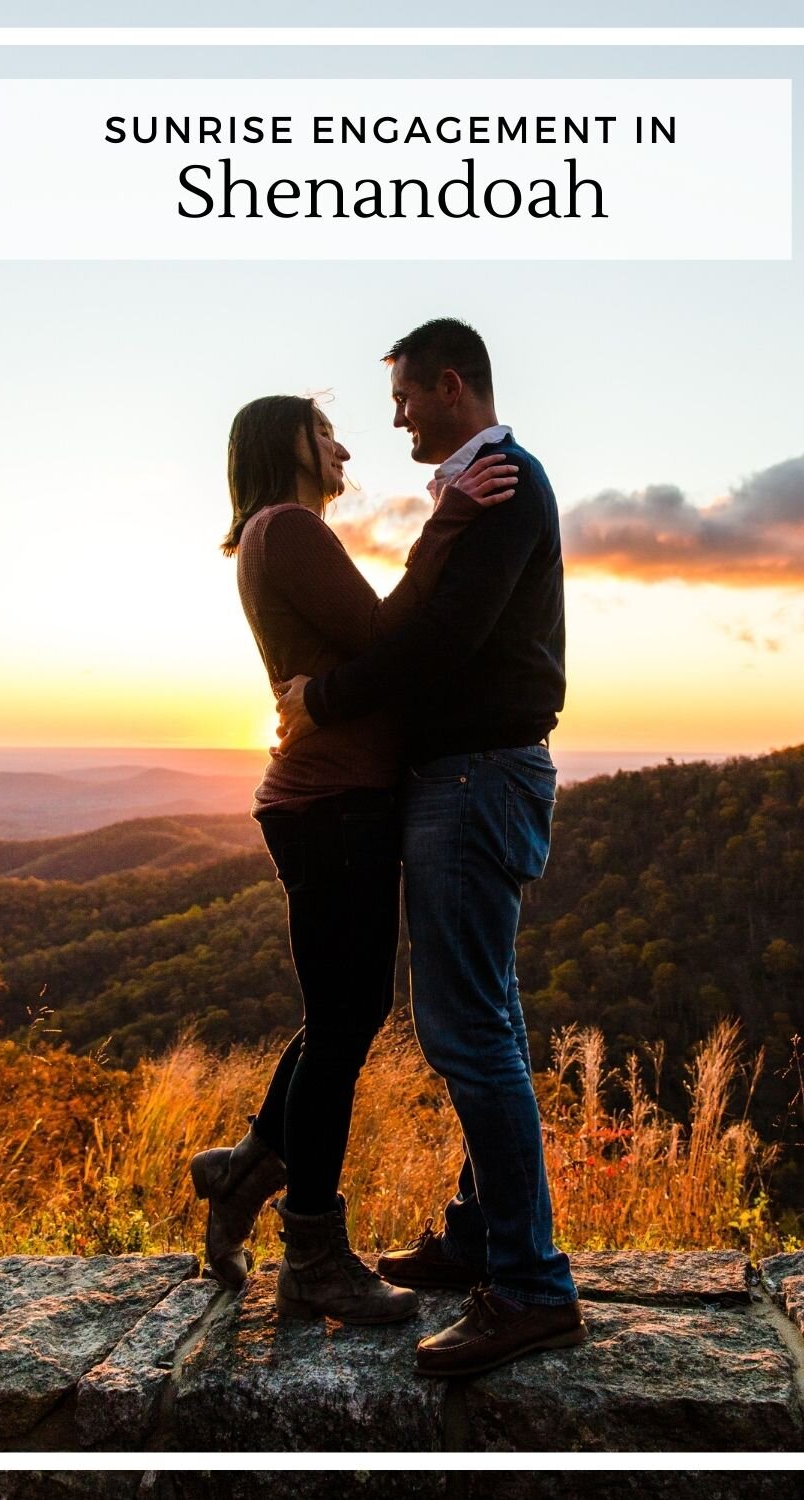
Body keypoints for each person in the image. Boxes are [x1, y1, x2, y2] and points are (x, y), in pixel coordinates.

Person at [275, 319, 588, 1374]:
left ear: (451, 385)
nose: (396, 414)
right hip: (465, 780)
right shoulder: (474, 493)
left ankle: (530, 1287)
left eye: (406, 395)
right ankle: (477, 1239)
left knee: (466, 1033)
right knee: (482, 1016)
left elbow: (434, 641)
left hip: (475, 777)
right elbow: (426, 623)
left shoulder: (502, 481)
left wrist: (321, 700)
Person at [190, 392, 517, 1325]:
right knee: (342, 1025)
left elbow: (364, 646)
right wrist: (452, 517)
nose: (343, 446)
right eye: (324, 431)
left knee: (346, 1011)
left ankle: (249, 1168)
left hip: (330, 798)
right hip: (331, 804)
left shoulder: (272, 532)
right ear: (283, 443)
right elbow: (384, 641)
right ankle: (313, 1256)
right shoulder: (288, 526)